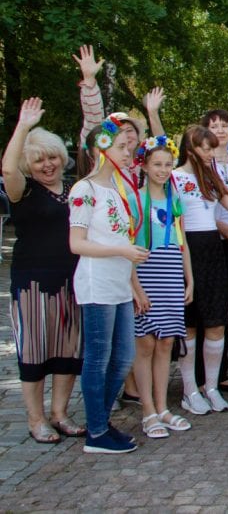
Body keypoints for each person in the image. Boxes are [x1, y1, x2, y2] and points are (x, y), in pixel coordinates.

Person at [2, 99, 84, 443]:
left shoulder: (73, 188)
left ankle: (60, 414)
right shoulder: (23, 191)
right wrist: (23, 126)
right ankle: (36, 420)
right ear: (28, 163)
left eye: (51, 157)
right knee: (35, 352)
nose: (47, 164)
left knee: (68, 350)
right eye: (39, 159)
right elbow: (7, 170)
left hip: (72, 279)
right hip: (33, 282)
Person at [69, 115, 150, 453]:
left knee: (123, 357)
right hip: (96, 283)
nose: (128, 150)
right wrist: (121, 250)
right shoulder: (84, 189)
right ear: (100, 150)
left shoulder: (115, 189)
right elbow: (77, 243)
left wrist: (132, 281)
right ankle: (97, 432)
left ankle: (99, 422)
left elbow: (119, 235)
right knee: (98, 358)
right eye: (120, 146)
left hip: (117, 282)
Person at [172, 125, 228, 415]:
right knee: (190, 325)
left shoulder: (213, 178)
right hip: (187, 249)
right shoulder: (175, 178)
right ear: (190, 148)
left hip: (213, 250)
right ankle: (189, 389)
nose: (209, 152)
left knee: (217, 322)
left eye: (211, 147)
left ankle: (211, 386)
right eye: (203, 147)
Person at [131, 136, 194, 439]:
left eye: (167, 164)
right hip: (146, 274)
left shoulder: (175, 201)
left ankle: (162, 405)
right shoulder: (134, 199)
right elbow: (127, 247)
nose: (163, 170)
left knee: (166, 342)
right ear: (144, 165)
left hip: (170, 275)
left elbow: (182, 244)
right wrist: (135, 288)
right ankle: (147, 410)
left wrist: (189, 278)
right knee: (145, 343)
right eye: (156, 164)